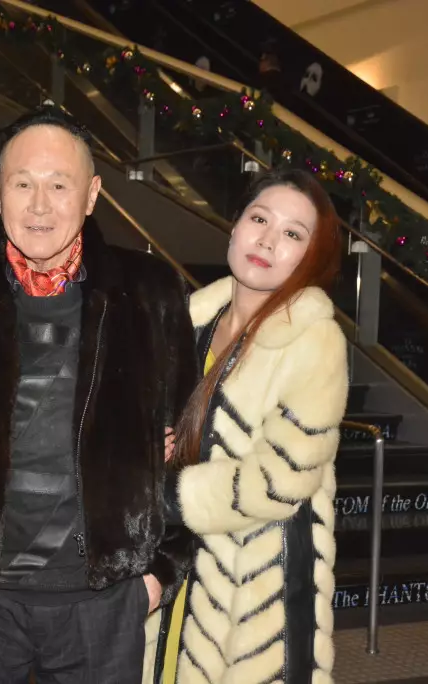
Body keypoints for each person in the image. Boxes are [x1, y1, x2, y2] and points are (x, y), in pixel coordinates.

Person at [0, 106, 196, 683]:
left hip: (104, 604)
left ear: (92, 194)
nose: (40, 205)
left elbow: (191, 443)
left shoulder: (152, 293)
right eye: (23, 184)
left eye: (59, 185)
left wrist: (158, 574)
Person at [147, 168, 348, 684]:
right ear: (235, 226)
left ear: (310, 256)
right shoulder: (187, 321)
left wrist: (164, 491)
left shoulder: (313, 340)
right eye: (259, 219)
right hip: (175, 561)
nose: (268, 240)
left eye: (292, 234)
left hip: (261, 584)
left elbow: (280, 480)